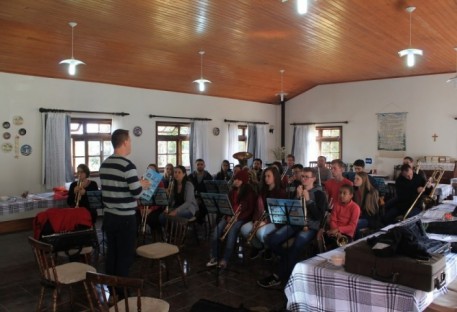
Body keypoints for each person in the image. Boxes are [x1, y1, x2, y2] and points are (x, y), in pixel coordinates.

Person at [257, 167, 328, 288]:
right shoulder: (298, 190)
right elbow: (291, 210)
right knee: (271, 239)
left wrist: (308, 200)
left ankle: (277, 276)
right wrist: (297, 197)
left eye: (306, 177)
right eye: (302, 176)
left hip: (310, 227)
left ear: (314, 179)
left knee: (297, 244)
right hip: (295, 223)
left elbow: (318, 217)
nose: (303, 179)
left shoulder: (320, 194)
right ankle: (291, 261)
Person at [99, 129, 151, 279]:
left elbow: (116, 187)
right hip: (125, 219)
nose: (131, 144)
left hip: (109, 216)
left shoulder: (104, 164)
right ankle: (122, 294)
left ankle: (112, 290)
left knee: (112, 253)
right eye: (130, 140)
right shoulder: (128, 165)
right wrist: (143, 185)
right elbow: (136, 193)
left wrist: (137, 184)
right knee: (125, 256)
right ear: (125, 142)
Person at [206, 168, 257, 269]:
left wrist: (237, 218)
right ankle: (214, 257)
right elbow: (227, 205)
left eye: (239, 179)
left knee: (232, 231)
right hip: (230, 215)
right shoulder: (232, 191)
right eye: (235, 179)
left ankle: (225, 259)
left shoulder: (250, 192)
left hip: (242, 218)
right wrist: (228, 215)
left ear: (244, 181)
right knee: (217, 230)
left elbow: (250, 210)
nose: (236, 181)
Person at [240, 166, 287, 260]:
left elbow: (280, 214)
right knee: (244, 229)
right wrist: (255, 220)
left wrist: (265, 222)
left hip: (275, 222)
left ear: (275, 177)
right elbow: (257, 209)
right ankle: (258, 247)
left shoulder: (281, 193)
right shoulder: (263, 191)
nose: (266, 178)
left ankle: (268, 248)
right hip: (261, 218)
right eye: (265, 176)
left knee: (260, 233)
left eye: (268, 176)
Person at [325, 185, 360, 249]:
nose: (341, 195)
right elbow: (333, 220)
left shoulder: (355, 208)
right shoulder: (336, 205)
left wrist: (338, 230)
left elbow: (352, 227)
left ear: (351, 196)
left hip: (346, 234)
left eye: (344, 193)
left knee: (335, 248)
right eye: (340, 193)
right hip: (334, 232)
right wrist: (336, 232)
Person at [353, 172, 381, 238]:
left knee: (354, 225)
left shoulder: (371, 193)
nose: (354, 180)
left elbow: (371, 212)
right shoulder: (355, 190)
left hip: (368, 218)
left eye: (357, 179)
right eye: (354, 178)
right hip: (358, 216)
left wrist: (356, 217)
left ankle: (357, 242)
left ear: (364, 180)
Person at [189, 158, 213, 223]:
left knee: (203, 207)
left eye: (201, 164)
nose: (199, 166)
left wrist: (202, 198)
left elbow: (210, 190)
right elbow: (189, 190)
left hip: (204, 198)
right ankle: (196, 221)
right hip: (193, 198)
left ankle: (198, 221)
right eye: (198, 164)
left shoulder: (208, 176)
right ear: (195, 166)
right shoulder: (190, 176)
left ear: (204, 165)